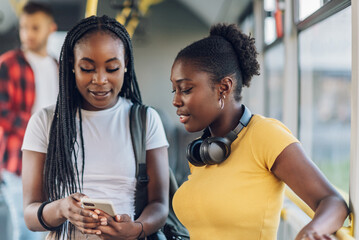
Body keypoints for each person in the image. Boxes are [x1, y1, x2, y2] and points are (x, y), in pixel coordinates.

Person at [170, 23, 349, 240]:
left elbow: (332, 201)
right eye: (175, 90)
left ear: (224, 87)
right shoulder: (204, 150)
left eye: (186, 89)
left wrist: (310, 231)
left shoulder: (264, 135)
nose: (176, 100)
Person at [21, 15, 169, 240]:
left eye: (112, 68)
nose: (100, 80)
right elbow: (31, 216)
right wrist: (61, 209)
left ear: (126, 64)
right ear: (72, 65)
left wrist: (136, 228)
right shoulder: (45, 122)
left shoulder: (145, 120)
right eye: (87, 68)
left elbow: (159, 205)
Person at [0, 2, 58, 239]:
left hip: (53, 163)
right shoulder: (8, 63)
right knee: (25, 233)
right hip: (18, 161)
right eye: (24, 27)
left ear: (50, 28)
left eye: (35, 27)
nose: (28, 34)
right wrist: (39, 131)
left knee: (49, 230)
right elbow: (2, 112)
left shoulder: (57, 65)